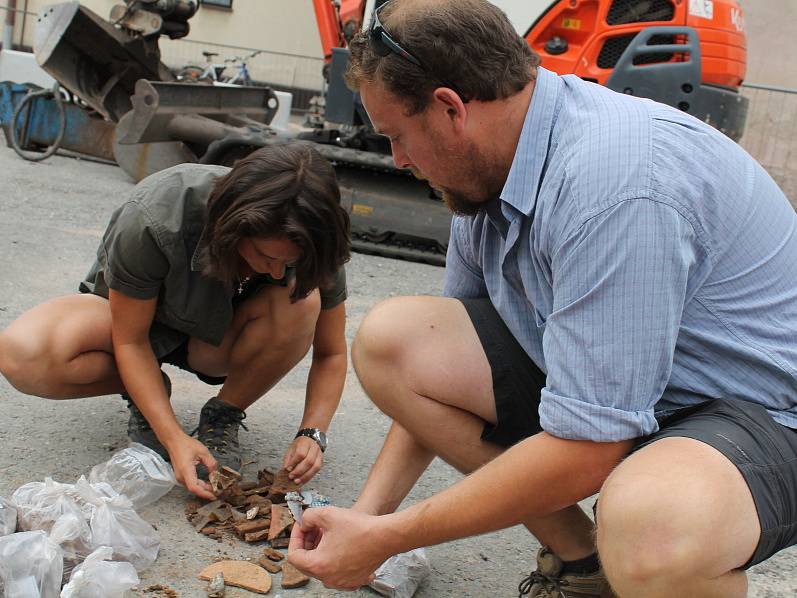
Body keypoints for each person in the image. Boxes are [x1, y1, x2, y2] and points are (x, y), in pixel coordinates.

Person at [286, 1, 797, 596]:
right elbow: (443, 378)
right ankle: (584, 566)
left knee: (653, 527)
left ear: (451, 107)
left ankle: (643, 554)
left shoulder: (613, 185)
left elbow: (588, 448)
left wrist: (391, 536)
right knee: (396, 343)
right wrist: (365, 523)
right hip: (641, 394)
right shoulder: (488, 176)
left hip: (759, 412)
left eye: (397, 135)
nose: (398, 159)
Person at [0, 143, 351, 500]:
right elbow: (130, 341)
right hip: (130, 328)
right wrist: (172, 436)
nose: (277, 269)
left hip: (216, 344)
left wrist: (312, 433)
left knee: (303, 301)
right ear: (234, 226)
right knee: (22, 354)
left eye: (288, 261)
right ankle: (149, 398)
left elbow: (332, 354)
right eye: (264, 255)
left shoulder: (313, 235)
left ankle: (222, 415)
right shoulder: (157, 214)